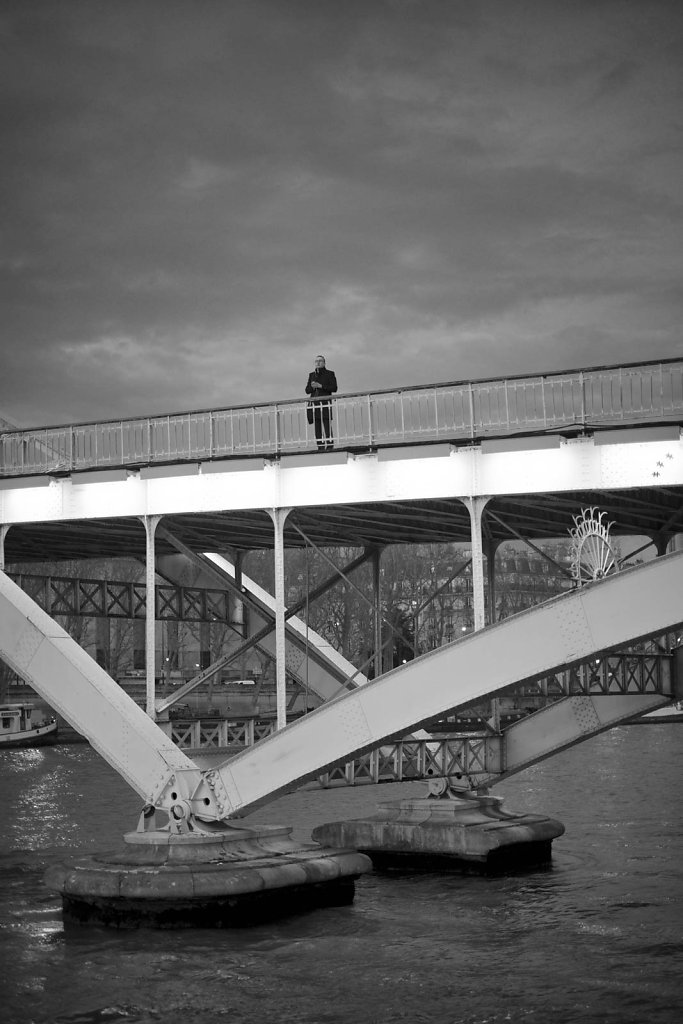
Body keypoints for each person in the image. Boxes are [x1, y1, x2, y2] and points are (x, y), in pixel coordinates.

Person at [305, 354, 337, 450]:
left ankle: (330, 445)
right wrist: (313, 386)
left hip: (325, 403)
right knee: (317, 426)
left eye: (320, 361)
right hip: (314, 404)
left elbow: (334, 388)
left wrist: (321, 386)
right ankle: (320, 446)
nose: (318, 363)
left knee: (327, 424)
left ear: (324, 363)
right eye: (316, 361)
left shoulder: (330, 374)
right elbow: (307, 390)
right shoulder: (312, 375)